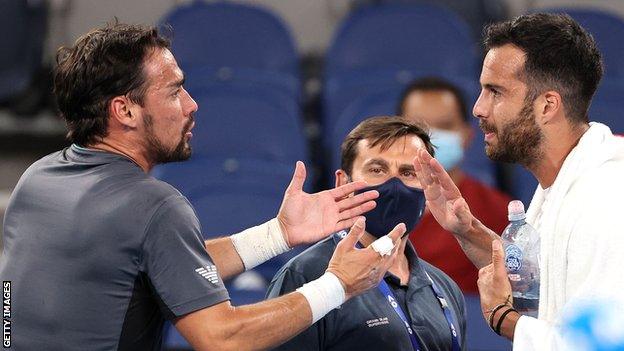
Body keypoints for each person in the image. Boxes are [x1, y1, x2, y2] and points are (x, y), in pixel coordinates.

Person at [0, 23, 408, 351]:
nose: (192, 105)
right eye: (175, 91)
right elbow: (222, 337)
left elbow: (158, 265)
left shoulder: (38, 179)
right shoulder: (155, 206)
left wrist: (277, 235)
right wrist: (337, 285)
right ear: (124, 110)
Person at [413, 13, 624, 349]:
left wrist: (502, 318)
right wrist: (467, 230)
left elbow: (597, 346)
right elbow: (544, 289)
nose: (479, 109)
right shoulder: (564, 183)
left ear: (547, 106)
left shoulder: (606, 199)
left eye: (495, 91)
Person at [267, 116, 466, 351]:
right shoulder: (304, 275)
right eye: (377, 169)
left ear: (427, 187)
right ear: (343, 183)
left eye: (408, 173)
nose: (394, 185)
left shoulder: (444, 287)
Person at [397, 77, 510, 293]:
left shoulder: (498, 211)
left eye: (445, 126)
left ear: (467, 135)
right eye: (418, 126)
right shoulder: (373, 204)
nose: (431, 136)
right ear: (396, 133)